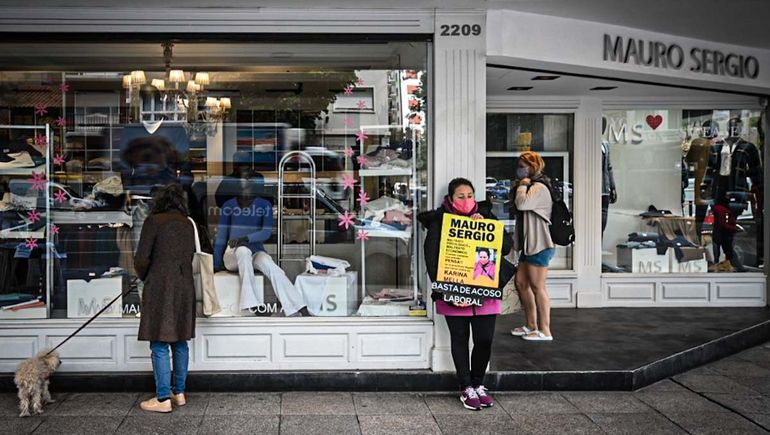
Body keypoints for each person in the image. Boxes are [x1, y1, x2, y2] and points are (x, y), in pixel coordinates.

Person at [418, 178, 512, 411]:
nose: (467, 200)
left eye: (470, 195)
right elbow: (431, 259)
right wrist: (449, 291)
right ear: (451, 199)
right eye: (461, 196)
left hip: (485, 292)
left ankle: (479, 383)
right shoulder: (440, 222)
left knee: (484, 339)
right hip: (454, 292)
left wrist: (487, 229)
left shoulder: (486, 216)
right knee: (459, 339)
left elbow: (507, 247)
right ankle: (466, 387)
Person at [134, 183, 196, 413]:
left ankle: (162, 399)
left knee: (159, 342)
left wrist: (143, 275)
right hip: (184, 285)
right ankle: (178, 393)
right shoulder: (187, 223)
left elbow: (142, 258)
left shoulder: (154, 221)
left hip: (160, 285)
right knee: (180, 340)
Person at [213, 174, 310, 316]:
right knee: (243, 251)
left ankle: (299, 306)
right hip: (233, 255)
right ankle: (251, 304)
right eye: (243, 177)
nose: (246, 180)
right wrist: (216, 263)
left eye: (249, 178)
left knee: (272, 266)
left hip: (255, 252)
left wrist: (244, 238)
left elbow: (265, 233)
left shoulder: (264, 205)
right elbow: (221, 236)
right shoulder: (229, 206)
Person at [510, 151, 555, 341]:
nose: (519, 170)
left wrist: (522, 187)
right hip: (528, 245)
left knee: (538, 286)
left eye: (522, 166)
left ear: (532, 166)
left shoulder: (539, 187)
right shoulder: (532, 185)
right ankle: (531, 324)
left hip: (540, 244)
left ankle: (545, 331)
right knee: (521, 283)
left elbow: (522, 204)